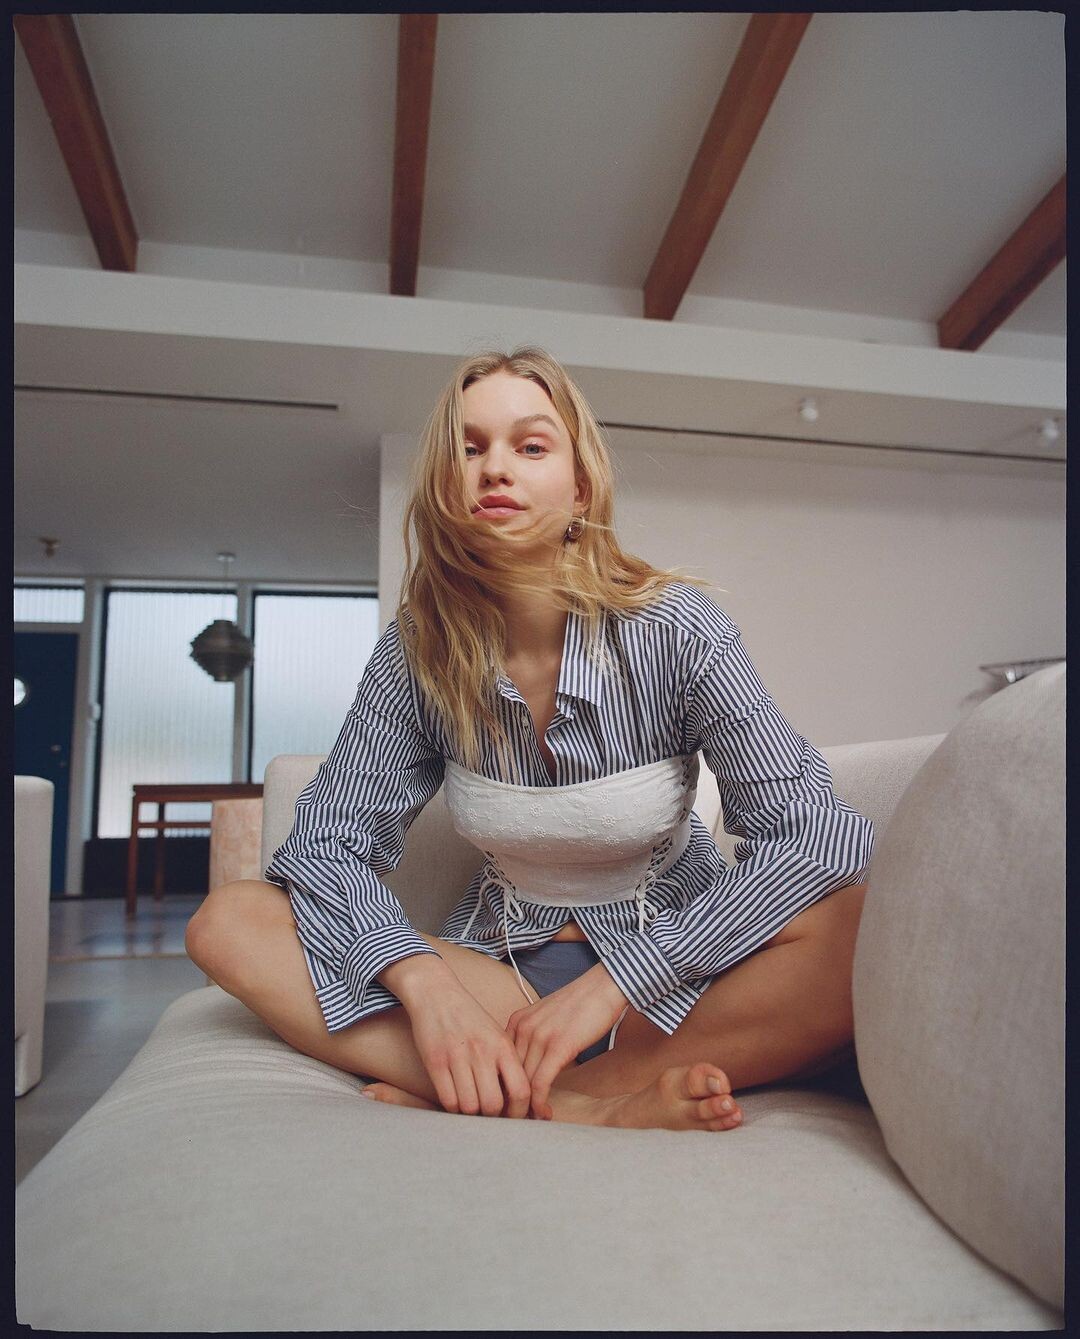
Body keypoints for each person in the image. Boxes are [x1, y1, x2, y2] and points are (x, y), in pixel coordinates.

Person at [186, 346, 874, 1133]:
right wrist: (424, 984)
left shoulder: (680, 629)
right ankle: (585, 1103)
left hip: (675, 989)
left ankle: (546, 1094)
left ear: (580, 487)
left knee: (856, 925)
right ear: (446, 488)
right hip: (499, 983)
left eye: (531, 445)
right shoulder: (417, 650)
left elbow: (818, 838)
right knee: (231, 921)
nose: (494, 468)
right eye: (469, 448)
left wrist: (622, 978)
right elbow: (322, 847)